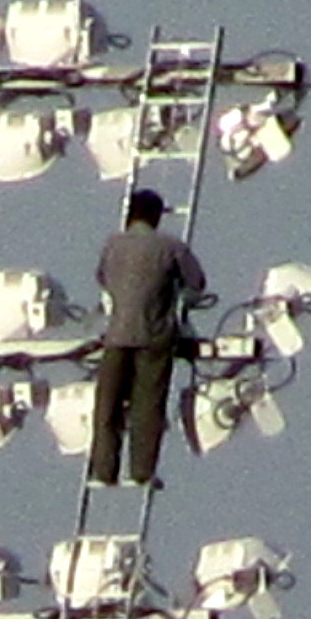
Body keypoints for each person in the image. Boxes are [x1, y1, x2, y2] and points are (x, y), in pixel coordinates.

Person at [89, 187, 209, 486]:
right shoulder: (171, 247)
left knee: (108, 409)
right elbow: (197, 284)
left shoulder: (112, 245)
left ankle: (104, 470)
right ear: (156, 217)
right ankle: (142, 471)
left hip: (116, 335)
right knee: (147, 407)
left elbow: (102, 278)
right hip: (154, 335)